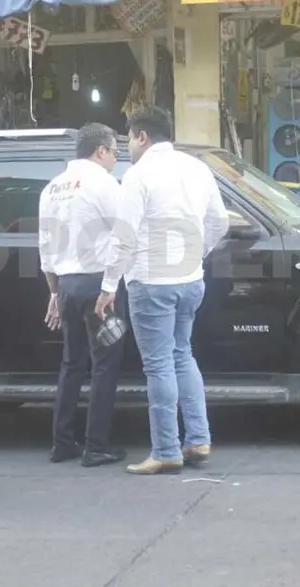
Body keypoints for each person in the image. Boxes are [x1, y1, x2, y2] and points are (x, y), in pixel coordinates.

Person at [95, 106, 229, 475]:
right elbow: (219, 221)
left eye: (130, 141)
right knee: (183, 355)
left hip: (151, 281)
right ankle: (198, 439)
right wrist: (195, 253)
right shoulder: (198, 168)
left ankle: (166, 449)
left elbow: (123, 237)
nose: (127, 150)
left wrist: (108, 287)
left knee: (158, 365)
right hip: (190, 280)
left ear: (142, 136)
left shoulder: (138, 176)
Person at [38, 123, 127, 467]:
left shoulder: (51, 188)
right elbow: (123, 236)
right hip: (98, 288)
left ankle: (62, 442)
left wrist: (53, 294)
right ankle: (96, 446)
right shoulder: (103, 183)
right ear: (99, 151)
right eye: (114, 153)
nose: (115, 160)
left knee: (72, 363)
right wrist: (109, 290)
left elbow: (45, 248)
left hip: (67, 288)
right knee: (105, 364)